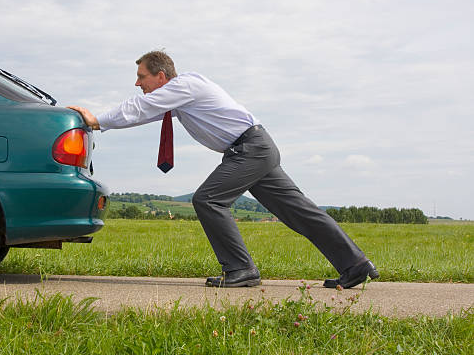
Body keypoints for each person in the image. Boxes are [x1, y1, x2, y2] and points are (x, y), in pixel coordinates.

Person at [68, 51, 379, 289]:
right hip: (256, 148)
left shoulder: (186, 85)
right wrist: (106, 122)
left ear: (160, 76)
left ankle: (240, 270)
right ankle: (356, 265)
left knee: (208, 199)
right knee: (300, 211)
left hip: (250, 149)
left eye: (141, 77)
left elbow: (140, 107)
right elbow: (143, 114)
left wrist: (98, 119)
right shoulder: (179, 96)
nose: (138, 83)